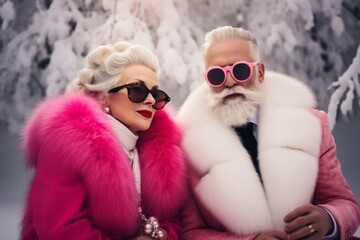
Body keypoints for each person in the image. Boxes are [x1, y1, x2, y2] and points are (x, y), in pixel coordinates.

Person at [177, 26, 360, 240]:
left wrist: (329, 218)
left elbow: (345, 204)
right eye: (217, 75)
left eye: (240, 70)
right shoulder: (187, 148)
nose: (229, 82)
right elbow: (191, 232)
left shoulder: (310, 124)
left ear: (260, 73)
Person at [20, 41, 187, 240]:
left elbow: (173, 220)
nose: (151, 100)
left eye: (156, 93)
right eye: (137, 90)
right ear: (102, 96)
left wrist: (159, 235)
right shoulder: (68, 142)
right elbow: (61, 230)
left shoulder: (155, 150)